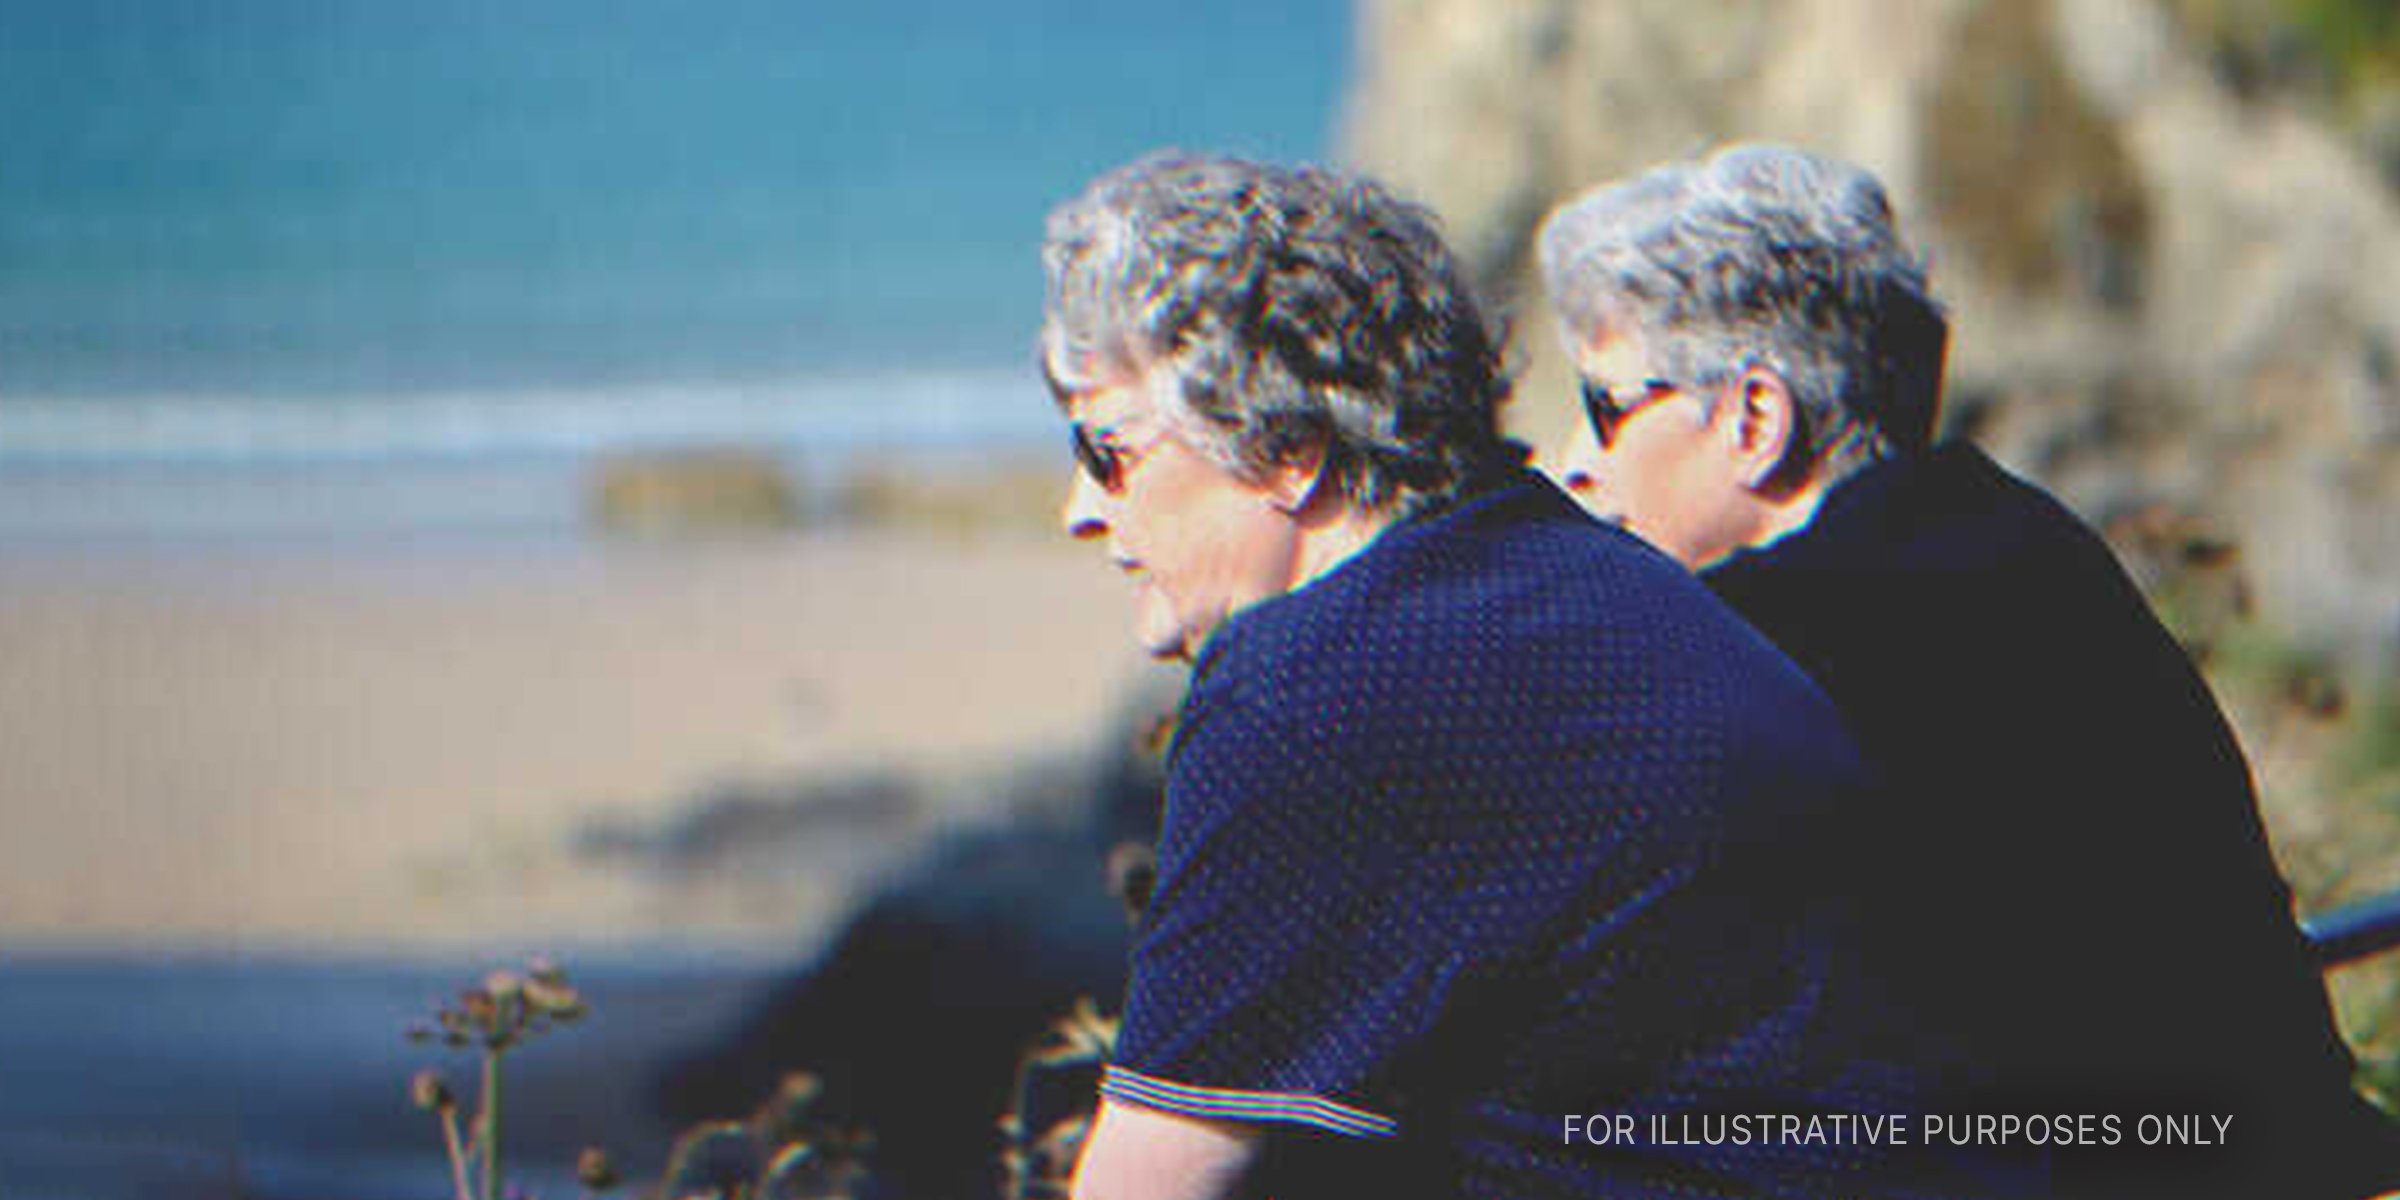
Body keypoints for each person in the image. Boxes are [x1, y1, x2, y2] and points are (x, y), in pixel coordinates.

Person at [1041, 150, 2021, 1200]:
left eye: (1108, 453)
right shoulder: (1591, 574)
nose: (1082, 510)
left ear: (1286, 448)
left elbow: (1145, 1185)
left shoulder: (1309, 687)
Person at [1536, 142, 2398, 1199]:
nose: (1576, 457)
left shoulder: (1770, 643)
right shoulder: (2019, 543)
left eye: (1607, 404)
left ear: (1755, 419)